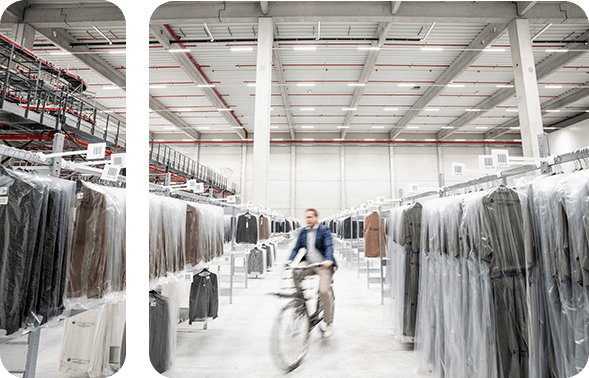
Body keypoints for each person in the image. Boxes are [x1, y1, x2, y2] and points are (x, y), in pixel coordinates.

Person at [286, 208, 337, 338]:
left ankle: (328, 322)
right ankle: (300, 302)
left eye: (310, 217)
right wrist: (290, 260)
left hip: (323, 264)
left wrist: (329, 260)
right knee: (296, 272)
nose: (308, 219)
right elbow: (296, 248)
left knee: (324, 291)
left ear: (316, 218)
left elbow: (329, 246)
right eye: (306, 217)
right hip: (309, 263)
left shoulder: (324, 230)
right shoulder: (303, 232)